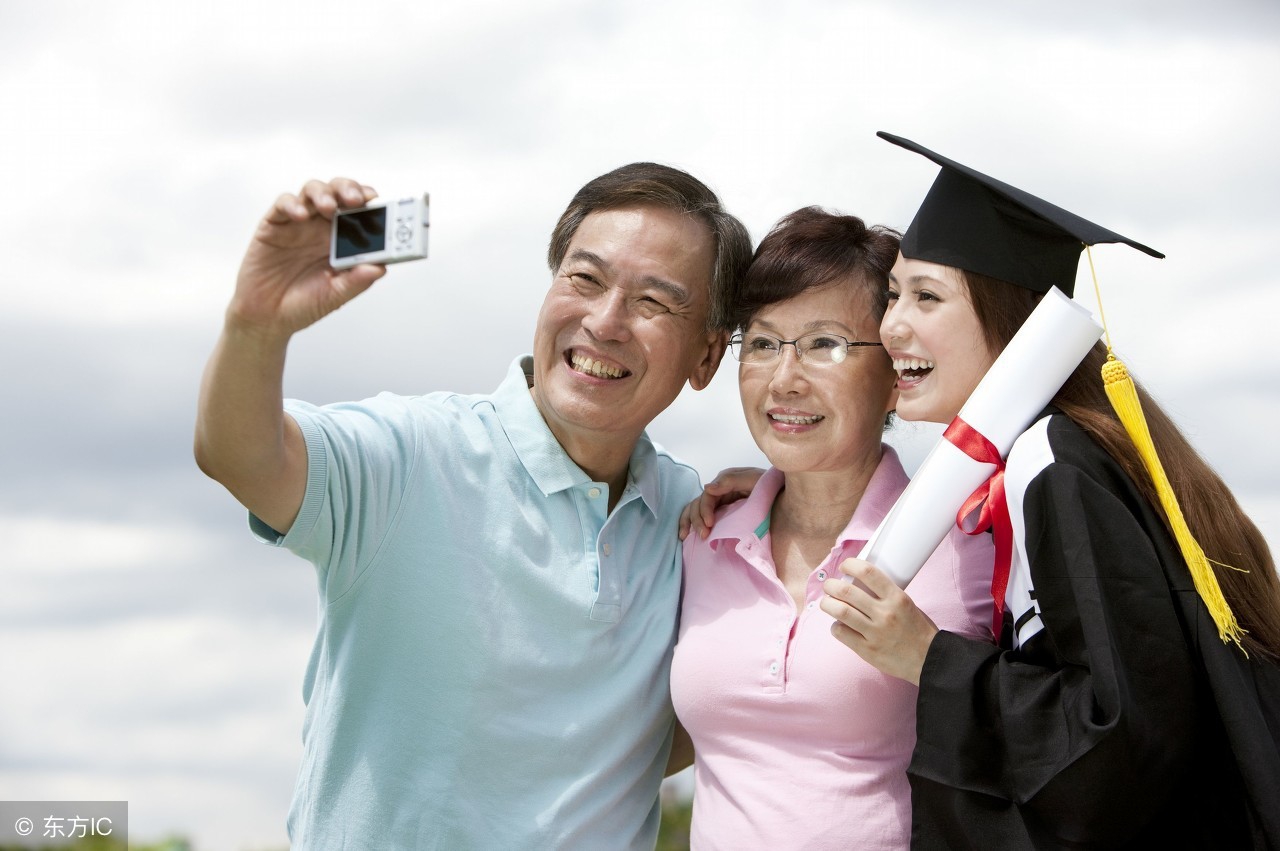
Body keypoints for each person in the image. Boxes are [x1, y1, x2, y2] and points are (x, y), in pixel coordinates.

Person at [193, 165, 753, 848]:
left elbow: (701, 716)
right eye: (584, 278)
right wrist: (254, 327)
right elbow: (240, 456)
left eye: (654, 303)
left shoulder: (695, 522)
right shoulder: (412, 453)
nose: (605, 322)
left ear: (707, 355)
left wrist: (792, 502)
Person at [818, 132, 1280, 848]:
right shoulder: (1073, 447)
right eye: (893, 294)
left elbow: (1122, 733)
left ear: (1012, 316)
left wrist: (927, 656)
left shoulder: (1051, 460)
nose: (892, 325)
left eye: (926, 295)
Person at [667, 207, 996, 849]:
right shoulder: (701, 539)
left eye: (824, 344)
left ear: (896, 372)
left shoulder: (968, 548)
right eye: (761, 343)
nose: (784, 379)